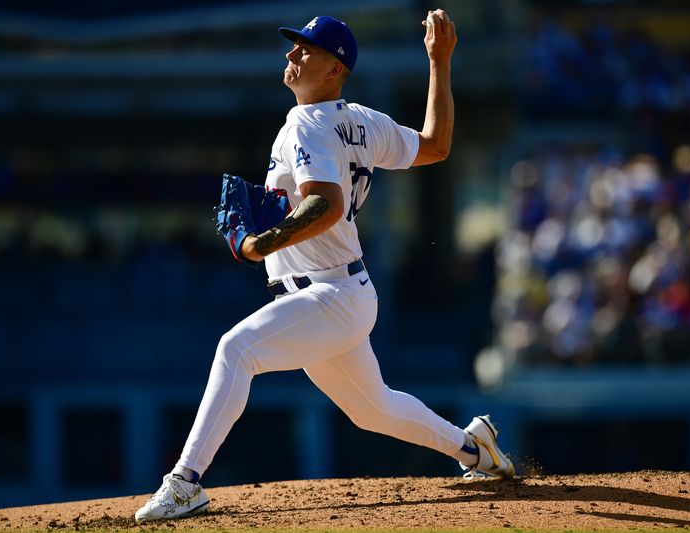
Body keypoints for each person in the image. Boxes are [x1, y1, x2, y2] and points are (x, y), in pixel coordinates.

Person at [135, 9, 513, 523]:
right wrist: (439, 64)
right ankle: (474, 448)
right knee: (372, 408)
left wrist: (259, 244)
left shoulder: (305, 123)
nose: (292, 53)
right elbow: (436, 144)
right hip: (341, 293)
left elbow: (327, 205)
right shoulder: (362, 121)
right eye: (295, 46)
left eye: (305, 49)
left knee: (237, 349)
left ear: (334, 68)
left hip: (328, 295)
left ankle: (184, 483)